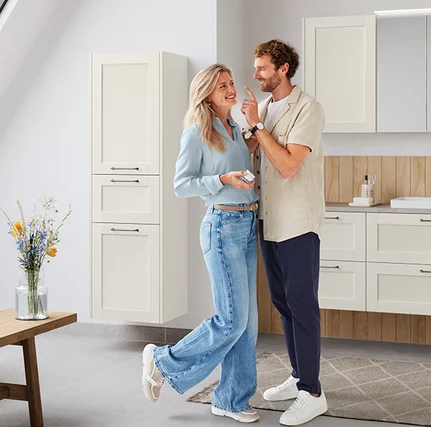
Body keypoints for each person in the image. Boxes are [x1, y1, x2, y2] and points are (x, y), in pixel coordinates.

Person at [140, 63, 261, 424]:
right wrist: (221, 178)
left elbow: (241, 163)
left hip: (248, 225)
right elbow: (182, 185)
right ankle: (163, 361)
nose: (230, 88)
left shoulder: (233, 127)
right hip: (221, 228)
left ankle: (231, 399)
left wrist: (253, 134)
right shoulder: (197, 131)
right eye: (222, 85)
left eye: (231, 82)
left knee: (247, 324)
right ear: (207, 92)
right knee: (231, 320)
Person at [240, 39, 327, 426]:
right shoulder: (262, 108)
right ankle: (298, 375)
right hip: (269, 219)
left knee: (302, 305)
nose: (256, 74)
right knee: (282, 303)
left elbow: (289, 164)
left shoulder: (308, 108)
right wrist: (245, 131)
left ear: (283, 69)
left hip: (297, 222)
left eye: (262, 68)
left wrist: (257, 128)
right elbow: (255, 156)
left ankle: (312, 393)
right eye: (256, 67)